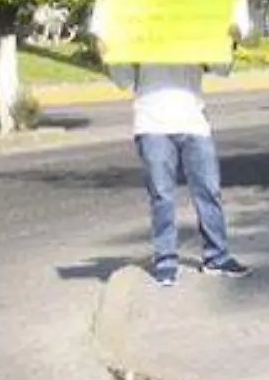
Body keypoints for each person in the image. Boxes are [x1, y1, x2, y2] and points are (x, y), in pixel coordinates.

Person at [108, 62, 252, 287]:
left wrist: (229, 39)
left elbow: (221, 68)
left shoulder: (193, 29)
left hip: (194, 123)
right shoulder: (139, 32)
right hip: (152, 125)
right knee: (162, 196)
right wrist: (108, 50)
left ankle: (217, 257)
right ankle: (165, 261)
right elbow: (122, 79)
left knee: (208, 191)